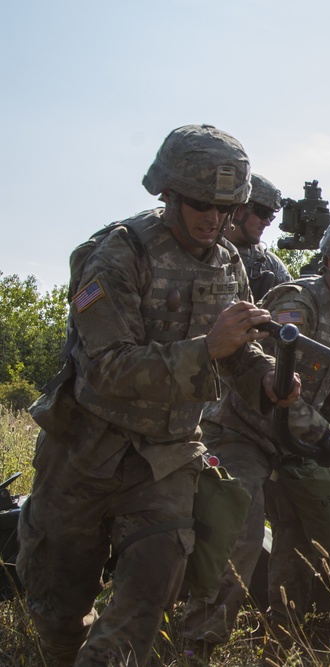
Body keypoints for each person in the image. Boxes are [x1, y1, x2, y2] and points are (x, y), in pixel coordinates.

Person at [16, 124, 300, 667]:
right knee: (58, 616)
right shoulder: (117, 256)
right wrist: (207, 349)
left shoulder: (228, 263)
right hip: (84, 454)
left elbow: (237, 352)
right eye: (200, 203)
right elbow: (107, 369)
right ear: (166, 192)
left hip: (166, 462)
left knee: (144, 601)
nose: (212, 219)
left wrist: (265, 378)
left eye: (226, 207)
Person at [180, 212, 330, 659]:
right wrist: (322, 435)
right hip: (243, 433)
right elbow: (269, 379)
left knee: (305, 537)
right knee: (238, 529)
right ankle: (197, 645)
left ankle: (283, 642)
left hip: (292, 445)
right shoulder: (297, 302)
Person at [225, 172, 291, 301]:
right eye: (262, 213)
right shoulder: (206, 254)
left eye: (270, 216)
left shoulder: (269, 263)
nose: (267, 222)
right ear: (238, 210)